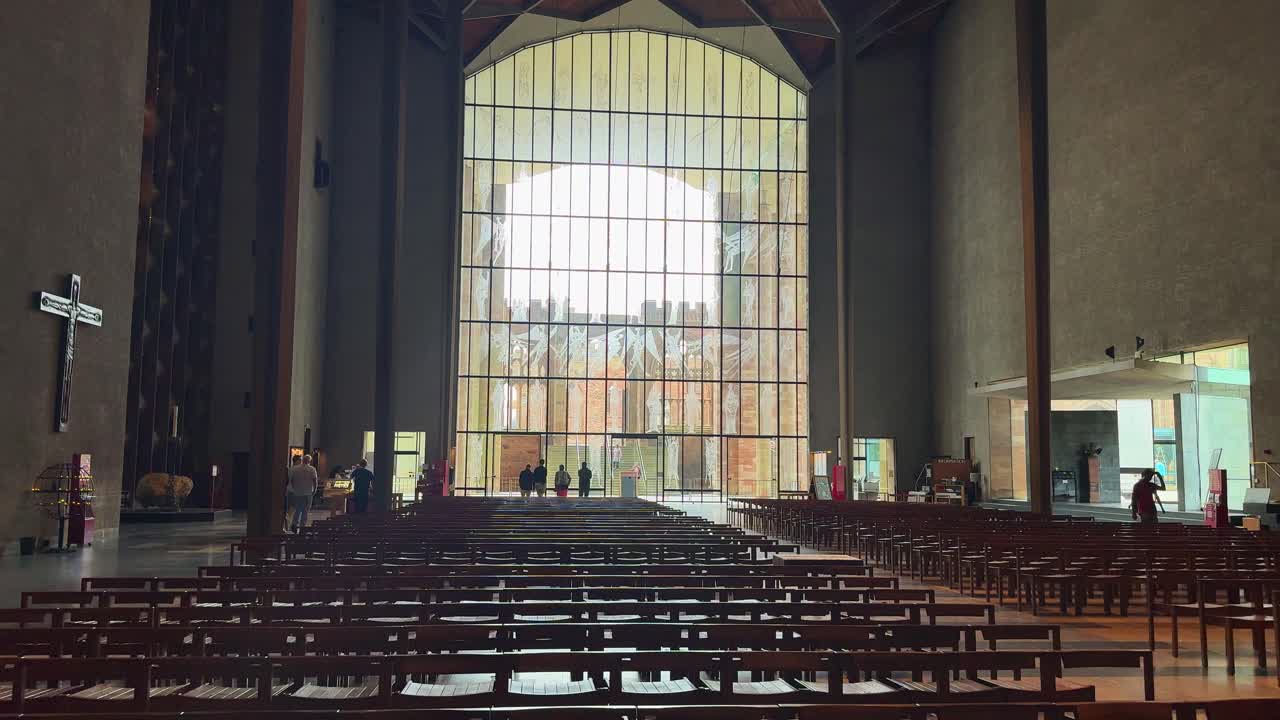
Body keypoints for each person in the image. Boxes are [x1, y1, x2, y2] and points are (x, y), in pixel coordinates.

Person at [287, 454, 319, 532]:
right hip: (308, 493)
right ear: (309, 461)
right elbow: (315, 481)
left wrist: (293, 489)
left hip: (297, 492)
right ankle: (302, 527)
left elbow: (290, 480)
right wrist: (314, 490)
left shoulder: (295, 469)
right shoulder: (312, 469)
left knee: (297, 510)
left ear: (302, 460)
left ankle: (294, 525)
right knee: (305, 511)